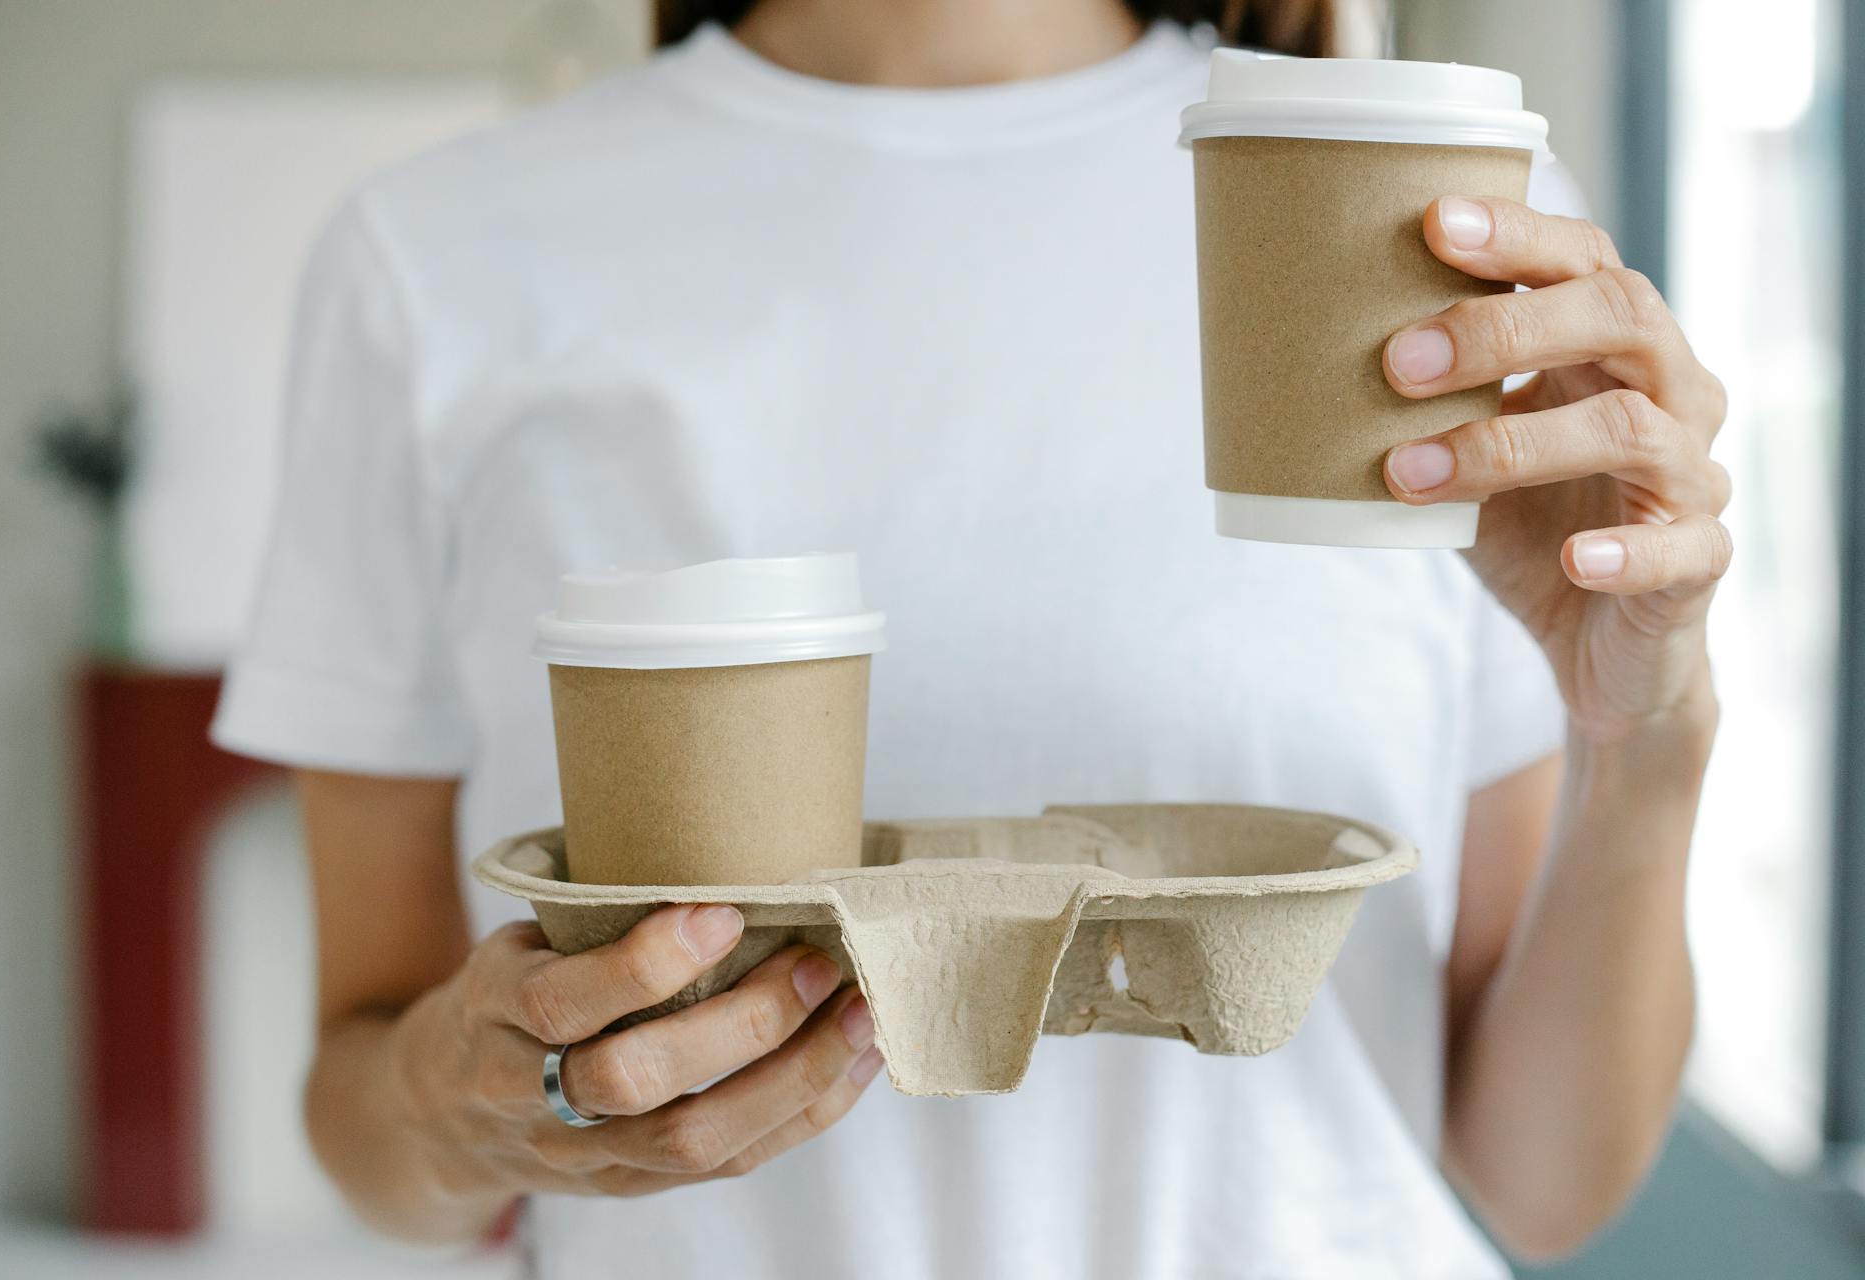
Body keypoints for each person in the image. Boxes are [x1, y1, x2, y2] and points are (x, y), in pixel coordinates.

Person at [212, 0, 1731, 1275]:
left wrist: (1646, 734)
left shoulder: (1424, 204)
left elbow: (1545, 1183)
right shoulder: (436, 259)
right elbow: (369, 1112)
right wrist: (465, 1102)